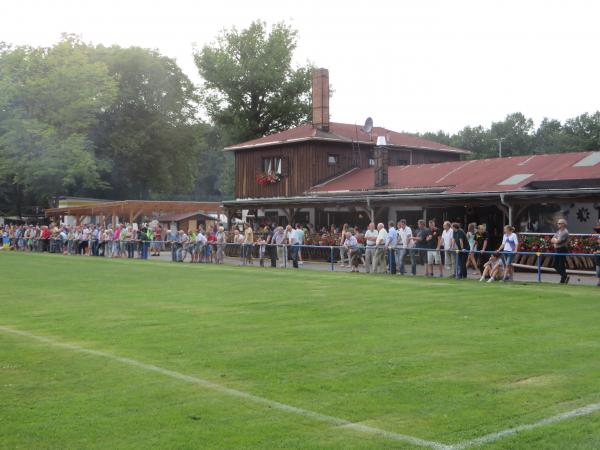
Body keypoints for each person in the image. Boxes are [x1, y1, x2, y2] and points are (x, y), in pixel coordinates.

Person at [551, 218, 570, 284]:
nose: (558, 224)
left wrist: (555, 241)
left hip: (562, 249)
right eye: (558, 223)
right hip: (557, 249)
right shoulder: (559, 231)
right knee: (557, 265)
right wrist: (555, 240)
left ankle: (564, 277)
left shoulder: (565, 232)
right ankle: (564, 277)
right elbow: (552, 239)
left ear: (563, 224)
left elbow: (558, 241)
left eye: (559, 223)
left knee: (559, 264)